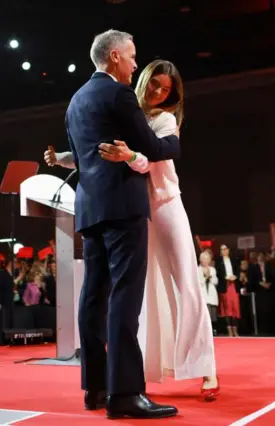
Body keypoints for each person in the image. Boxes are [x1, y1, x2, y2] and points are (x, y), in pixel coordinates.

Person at [47, 57, 220, 403]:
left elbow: (148, 158)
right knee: (147, 294)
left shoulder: (166, 120)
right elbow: (98, 151)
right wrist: (62, 158)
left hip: (166, 205)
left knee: (186, 280)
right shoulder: (127, 110)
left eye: (166, 89)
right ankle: (157, 368)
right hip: (134, 212)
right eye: (154, 83)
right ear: (143, 80)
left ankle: (207, 367)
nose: (158, 91)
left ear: (173, 96)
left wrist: (128, 157)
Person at [62, 29, 180, 419]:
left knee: (93, 297)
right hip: (123, 205)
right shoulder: (118, 94)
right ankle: (126, 393)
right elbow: (150, 144)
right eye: (131, 57)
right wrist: (173, 140)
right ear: (114, 57)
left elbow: (80, 160)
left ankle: (95, 387)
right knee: (125, 297)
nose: (134, 63)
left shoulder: (75, 100)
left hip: (89, 207)